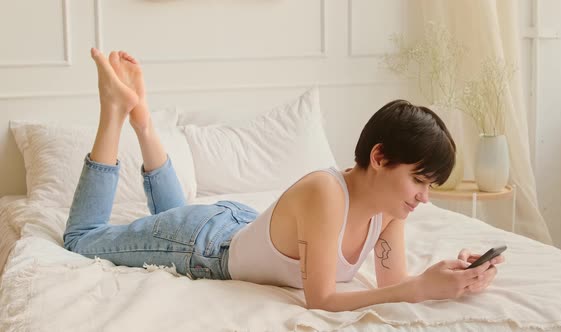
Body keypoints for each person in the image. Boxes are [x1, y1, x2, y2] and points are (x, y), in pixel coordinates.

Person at [63, 48, 505, 313]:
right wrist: (420, 288)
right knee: (81, 240)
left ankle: (143, 116)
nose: (424, 198)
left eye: (429, 187)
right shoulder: (325, 191)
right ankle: (115, 112)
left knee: (174, 215)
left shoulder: (390, 210)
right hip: (204, 246)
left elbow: (393, 287)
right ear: (379, 157)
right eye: (419, 181)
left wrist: (453, 277)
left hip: (235, 223)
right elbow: (322, 301)